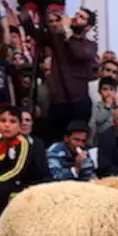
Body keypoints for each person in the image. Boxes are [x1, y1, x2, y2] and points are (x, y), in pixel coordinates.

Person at [25, 8, 99, 144]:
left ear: (88, 26)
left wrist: (67, 31)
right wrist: (27, 12)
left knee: (78, 139)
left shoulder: (89, 45)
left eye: (82, 17)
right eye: (76, 14)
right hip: (58, 101)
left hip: (78, 101)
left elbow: (78, 53)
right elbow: (36, 34)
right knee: (55, 141)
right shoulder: (59, 39)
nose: (76, 18)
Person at [0, 105, 41, 232]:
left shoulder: (22, 143)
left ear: (19, 126)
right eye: (3, 121)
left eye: (12, 121)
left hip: (19, 183)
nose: (7, 125)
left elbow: (17, 169)